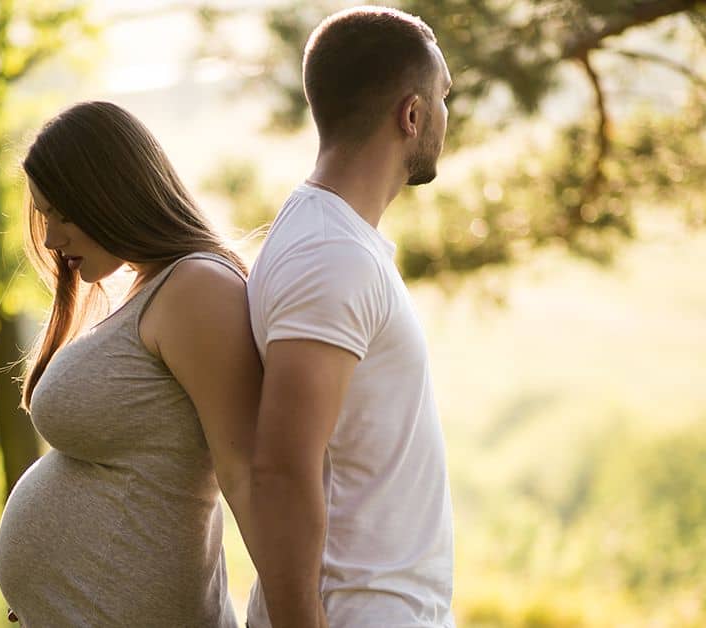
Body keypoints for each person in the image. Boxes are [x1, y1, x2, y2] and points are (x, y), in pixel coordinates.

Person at [0, 100, 260, 627]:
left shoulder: (197, 289)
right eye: (45, 217)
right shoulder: (153, 291)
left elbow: (248, 474)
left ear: (112, 194)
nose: (50, 239)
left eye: (63, 215)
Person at [246, 6, 455, 627]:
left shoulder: (332, 239)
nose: (448, 116)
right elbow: (282, 470)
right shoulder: (331, 257)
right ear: (411, 115)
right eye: (444, 98)